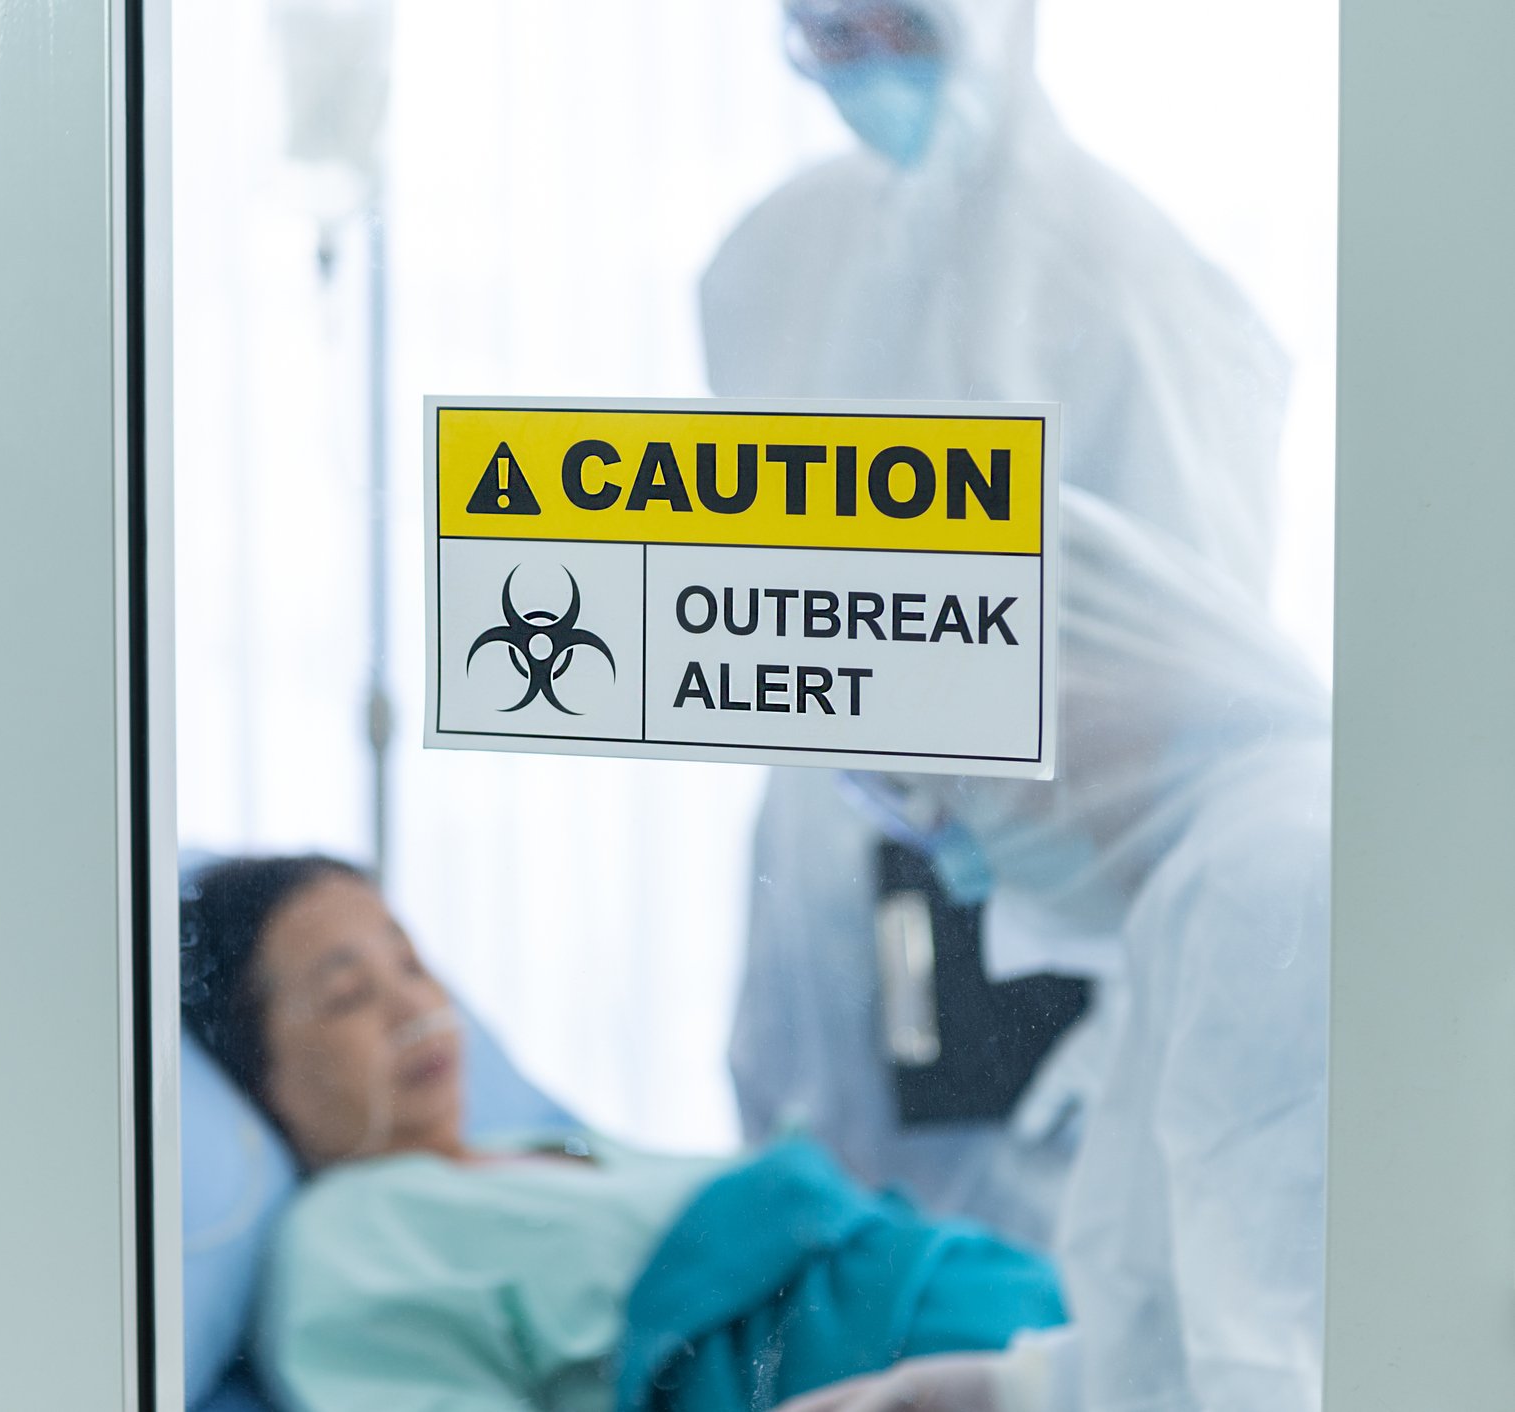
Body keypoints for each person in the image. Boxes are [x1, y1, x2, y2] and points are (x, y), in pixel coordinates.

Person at [709, 0, 1296, 1250]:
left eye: (895, 22)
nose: (863, 59)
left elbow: (1192, 675)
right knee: (814, 1237)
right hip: (821, 886)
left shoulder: (1128, 282)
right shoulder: (775, 253)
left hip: (1036, 899)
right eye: (827, 31)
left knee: (1024, 1274)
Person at [780, 488, 1330, 1412]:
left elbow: (1273, 1373)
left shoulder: (1259, 874)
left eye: (928, 777)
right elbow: (1212, 1330)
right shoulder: (1216, 869)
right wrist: (1013, 1389)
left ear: (1068, 691)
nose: (939, 828)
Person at [180, 856, 1068, 1412]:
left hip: (971, 1314)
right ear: (263, 1079)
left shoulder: (539, 1149)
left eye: (411, 963)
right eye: (347, 996)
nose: (414, 1005)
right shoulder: (340, 1246)